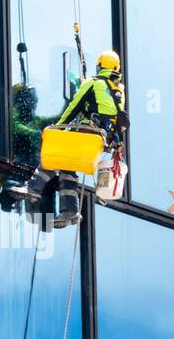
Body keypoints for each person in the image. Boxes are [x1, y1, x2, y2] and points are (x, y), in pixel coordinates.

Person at [9, 49, 128, 228]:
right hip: (101, 140)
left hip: (88, 132)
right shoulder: (119, 91)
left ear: (99, 66)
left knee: (55, 153)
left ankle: (33, 188)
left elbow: (74, 106)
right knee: (67, 167)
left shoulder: (93, 83)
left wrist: (59, 127)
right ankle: (70, 212)